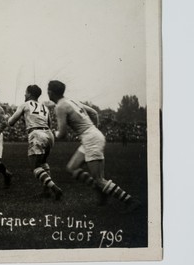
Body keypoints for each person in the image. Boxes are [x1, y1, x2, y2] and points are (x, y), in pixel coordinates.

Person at [47, 80, 140, 212]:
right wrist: (93, 130)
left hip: (91, 139)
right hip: (92, 136)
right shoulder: (71, 101)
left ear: (51, 92)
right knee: (72, 168)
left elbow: (62, 134)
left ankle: (130, 200)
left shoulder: (60, 106)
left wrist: (51, 133)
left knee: (99, 179)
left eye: (48, 90)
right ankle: (100, 190)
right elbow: (94, 113)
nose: (47, 92)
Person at [8, 85, 62, 199]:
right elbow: (50, 124)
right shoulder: (45, 107)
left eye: (25, 92)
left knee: (35, 166)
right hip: (49, 134)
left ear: (29, 94)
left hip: (37, 135)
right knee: (43, 163)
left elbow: (11, 122)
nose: (24, 94)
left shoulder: (25, 105)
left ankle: (55, 188)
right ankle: (46, 191)